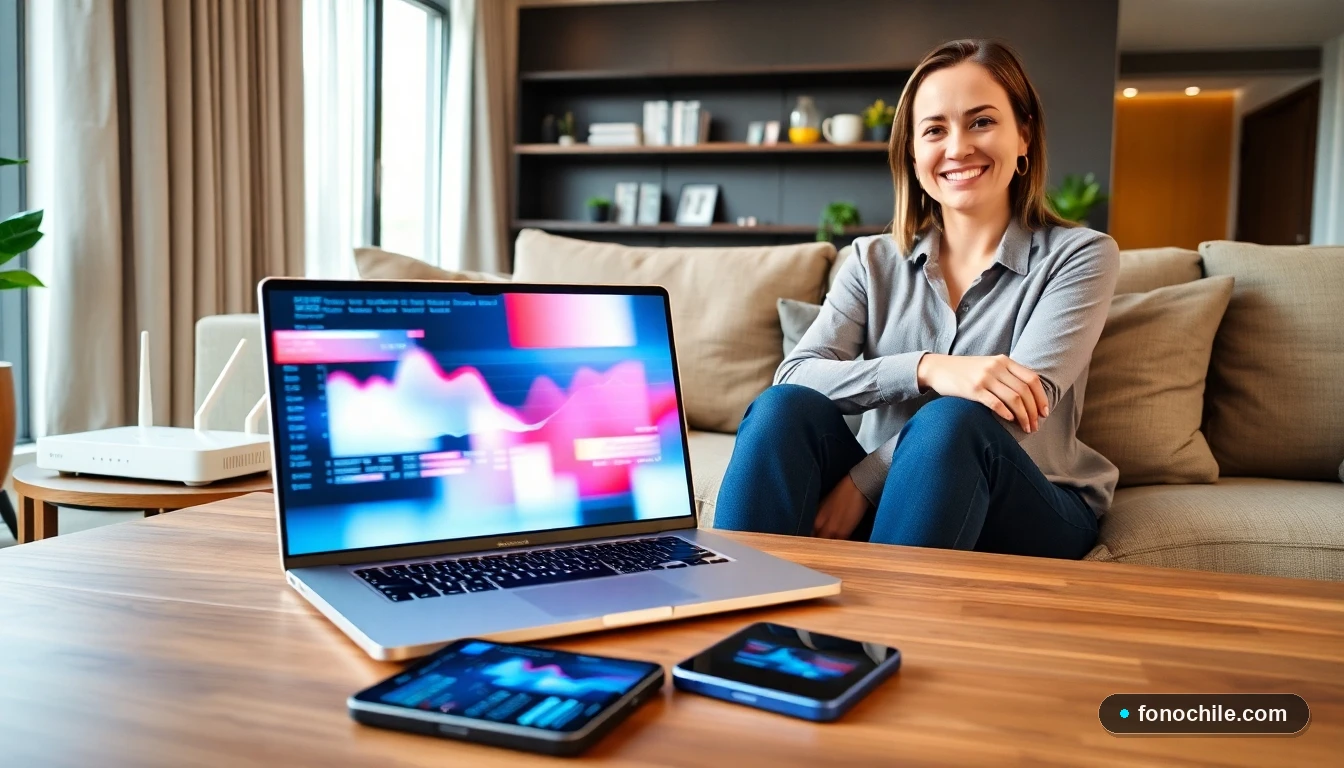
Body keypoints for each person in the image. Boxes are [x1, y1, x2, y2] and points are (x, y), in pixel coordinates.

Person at [714, 39, 1119, 559]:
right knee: (781, 409)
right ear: (912, 152)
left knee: (951, 423)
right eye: (934, 130)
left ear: (1024, 135)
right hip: (901, 508)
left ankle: (887, 614)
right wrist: (927, 368)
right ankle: (737, 599)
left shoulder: (1081, 256)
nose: (957, 148)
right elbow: (796, 373)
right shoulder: (871, 259)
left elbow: (1022, 404)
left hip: (1026, 501)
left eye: (981, 122)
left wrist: (864, 481)